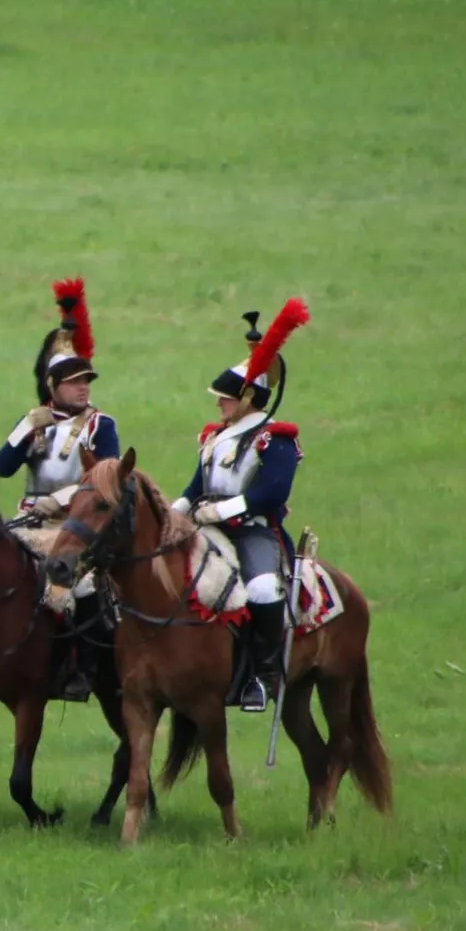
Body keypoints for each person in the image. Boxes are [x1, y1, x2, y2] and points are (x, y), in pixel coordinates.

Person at [171, 300, 310, 713]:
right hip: (205, 528)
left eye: (226, 399)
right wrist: (174, 512)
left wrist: (224, 510)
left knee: (262, 589)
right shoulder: (215, 436)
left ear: (248, 397)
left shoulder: (276, 440)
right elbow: (197, 485)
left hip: (252, 531)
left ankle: (263, 677)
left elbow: (272, 494)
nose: (219, 404)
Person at [0, 277, 119, 702]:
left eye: (87, 381)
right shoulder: (35, 422)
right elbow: (2, 467)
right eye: (74, 382)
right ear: (53, 386)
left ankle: (82, 671)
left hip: (77, 524)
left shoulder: (103, 426)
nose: (84, 387)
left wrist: (60, 499)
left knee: (80, 590)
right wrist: (27, 427)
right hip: (28, 522)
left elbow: (106, 475)